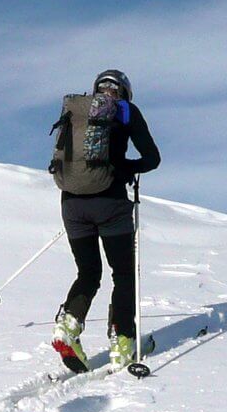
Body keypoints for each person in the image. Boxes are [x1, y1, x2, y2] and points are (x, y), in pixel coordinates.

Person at [50, 68, 161, 371]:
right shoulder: (126, 111)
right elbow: (152, 158)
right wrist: (125, 168)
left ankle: (68, 326)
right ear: (124, 92)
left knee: (88, 272)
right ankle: (122, 340)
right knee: (123, 274)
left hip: (71, 202)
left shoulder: (77, 111)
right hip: (110, 202)